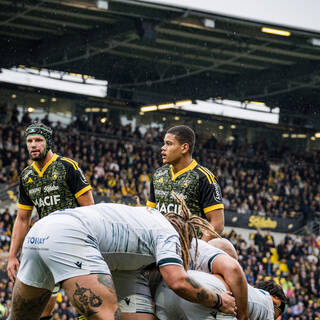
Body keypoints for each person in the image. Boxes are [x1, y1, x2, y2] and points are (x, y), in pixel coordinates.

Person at [8, 203, 236, 320]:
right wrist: (218, 300)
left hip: (41, 230)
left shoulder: (139, 225)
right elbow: (177, 281)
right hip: (70, 235)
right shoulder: (170, 234)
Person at [7, 122, 94, 320]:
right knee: (44, 308)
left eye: (38, 140)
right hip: (46, 246)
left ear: (48, 142)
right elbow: (22, 219)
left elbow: (90, 209)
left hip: (74, 243)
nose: (33, 145)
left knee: (85, 303)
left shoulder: (67, 166)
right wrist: (12, 255)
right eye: (29, 141)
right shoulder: (27, 176)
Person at [147, 125, 224, 238]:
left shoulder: (203, 178)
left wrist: (198, 249)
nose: (163, 148)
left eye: (169, 144)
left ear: (184, 148)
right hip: (160, 247)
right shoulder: (158, 175)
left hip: (190, 249)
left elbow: (217, 224)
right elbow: (150, 213)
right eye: (164, 143)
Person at [155, 272, 287, 320]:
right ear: (276, 300)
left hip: (167, 291)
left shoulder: (247, 290)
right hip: (212, 300)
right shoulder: (267, 303)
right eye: (278, 313)